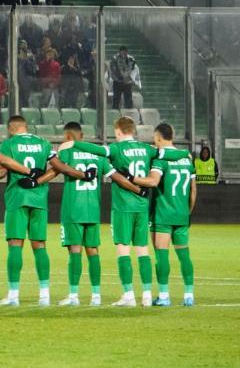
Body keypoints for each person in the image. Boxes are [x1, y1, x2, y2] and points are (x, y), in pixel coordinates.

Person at [69, 116, 190, 306]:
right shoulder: (147, 149)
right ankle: (148, 295)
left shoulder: (116, 149)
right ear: (133, 130)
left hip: (122, 207)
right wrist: (184, 154)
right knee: (143, 250)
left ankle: (128, 296)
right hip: (142, 207)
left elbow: (97, 150)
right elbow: (169, 155)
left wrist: (75, 143)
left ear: (118, 131)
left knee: (123, 250)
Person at [0, 115, 57, 306]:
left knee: (15, 244)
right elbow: (57, 168)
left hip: (17, 198)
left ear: (10, 128)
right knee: (40, 245)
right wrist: (38, 181)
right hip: (39, 199)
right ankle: (45, 296)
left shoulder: (9, 144)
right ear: (26, 126)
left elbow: (2, 171)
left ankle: (13, 296)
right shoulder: (44, 144)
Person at [133, 123, 197, 306]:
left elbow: (153, 182)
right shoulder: (186, 157)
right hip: (181, 215)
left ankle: (164, 296)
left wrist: (131, 178)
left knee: (162, 255)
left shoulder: (161, 160)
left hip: (162, 214)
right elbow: (193, 190)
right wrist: (187, 212)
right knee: (184, 255)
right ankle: (189, 295)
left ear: (159, 137)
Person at [49, 122, 106, 306]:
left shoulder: (67, 151)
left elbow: (57, 167)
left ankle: (73, 296)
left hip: (74, 208)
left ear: (67, 137)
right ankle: (96, 296)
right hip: (93, 209)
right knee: (93, 251)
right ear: (82, 136)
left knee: (75, 250)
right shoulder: (98, 155)